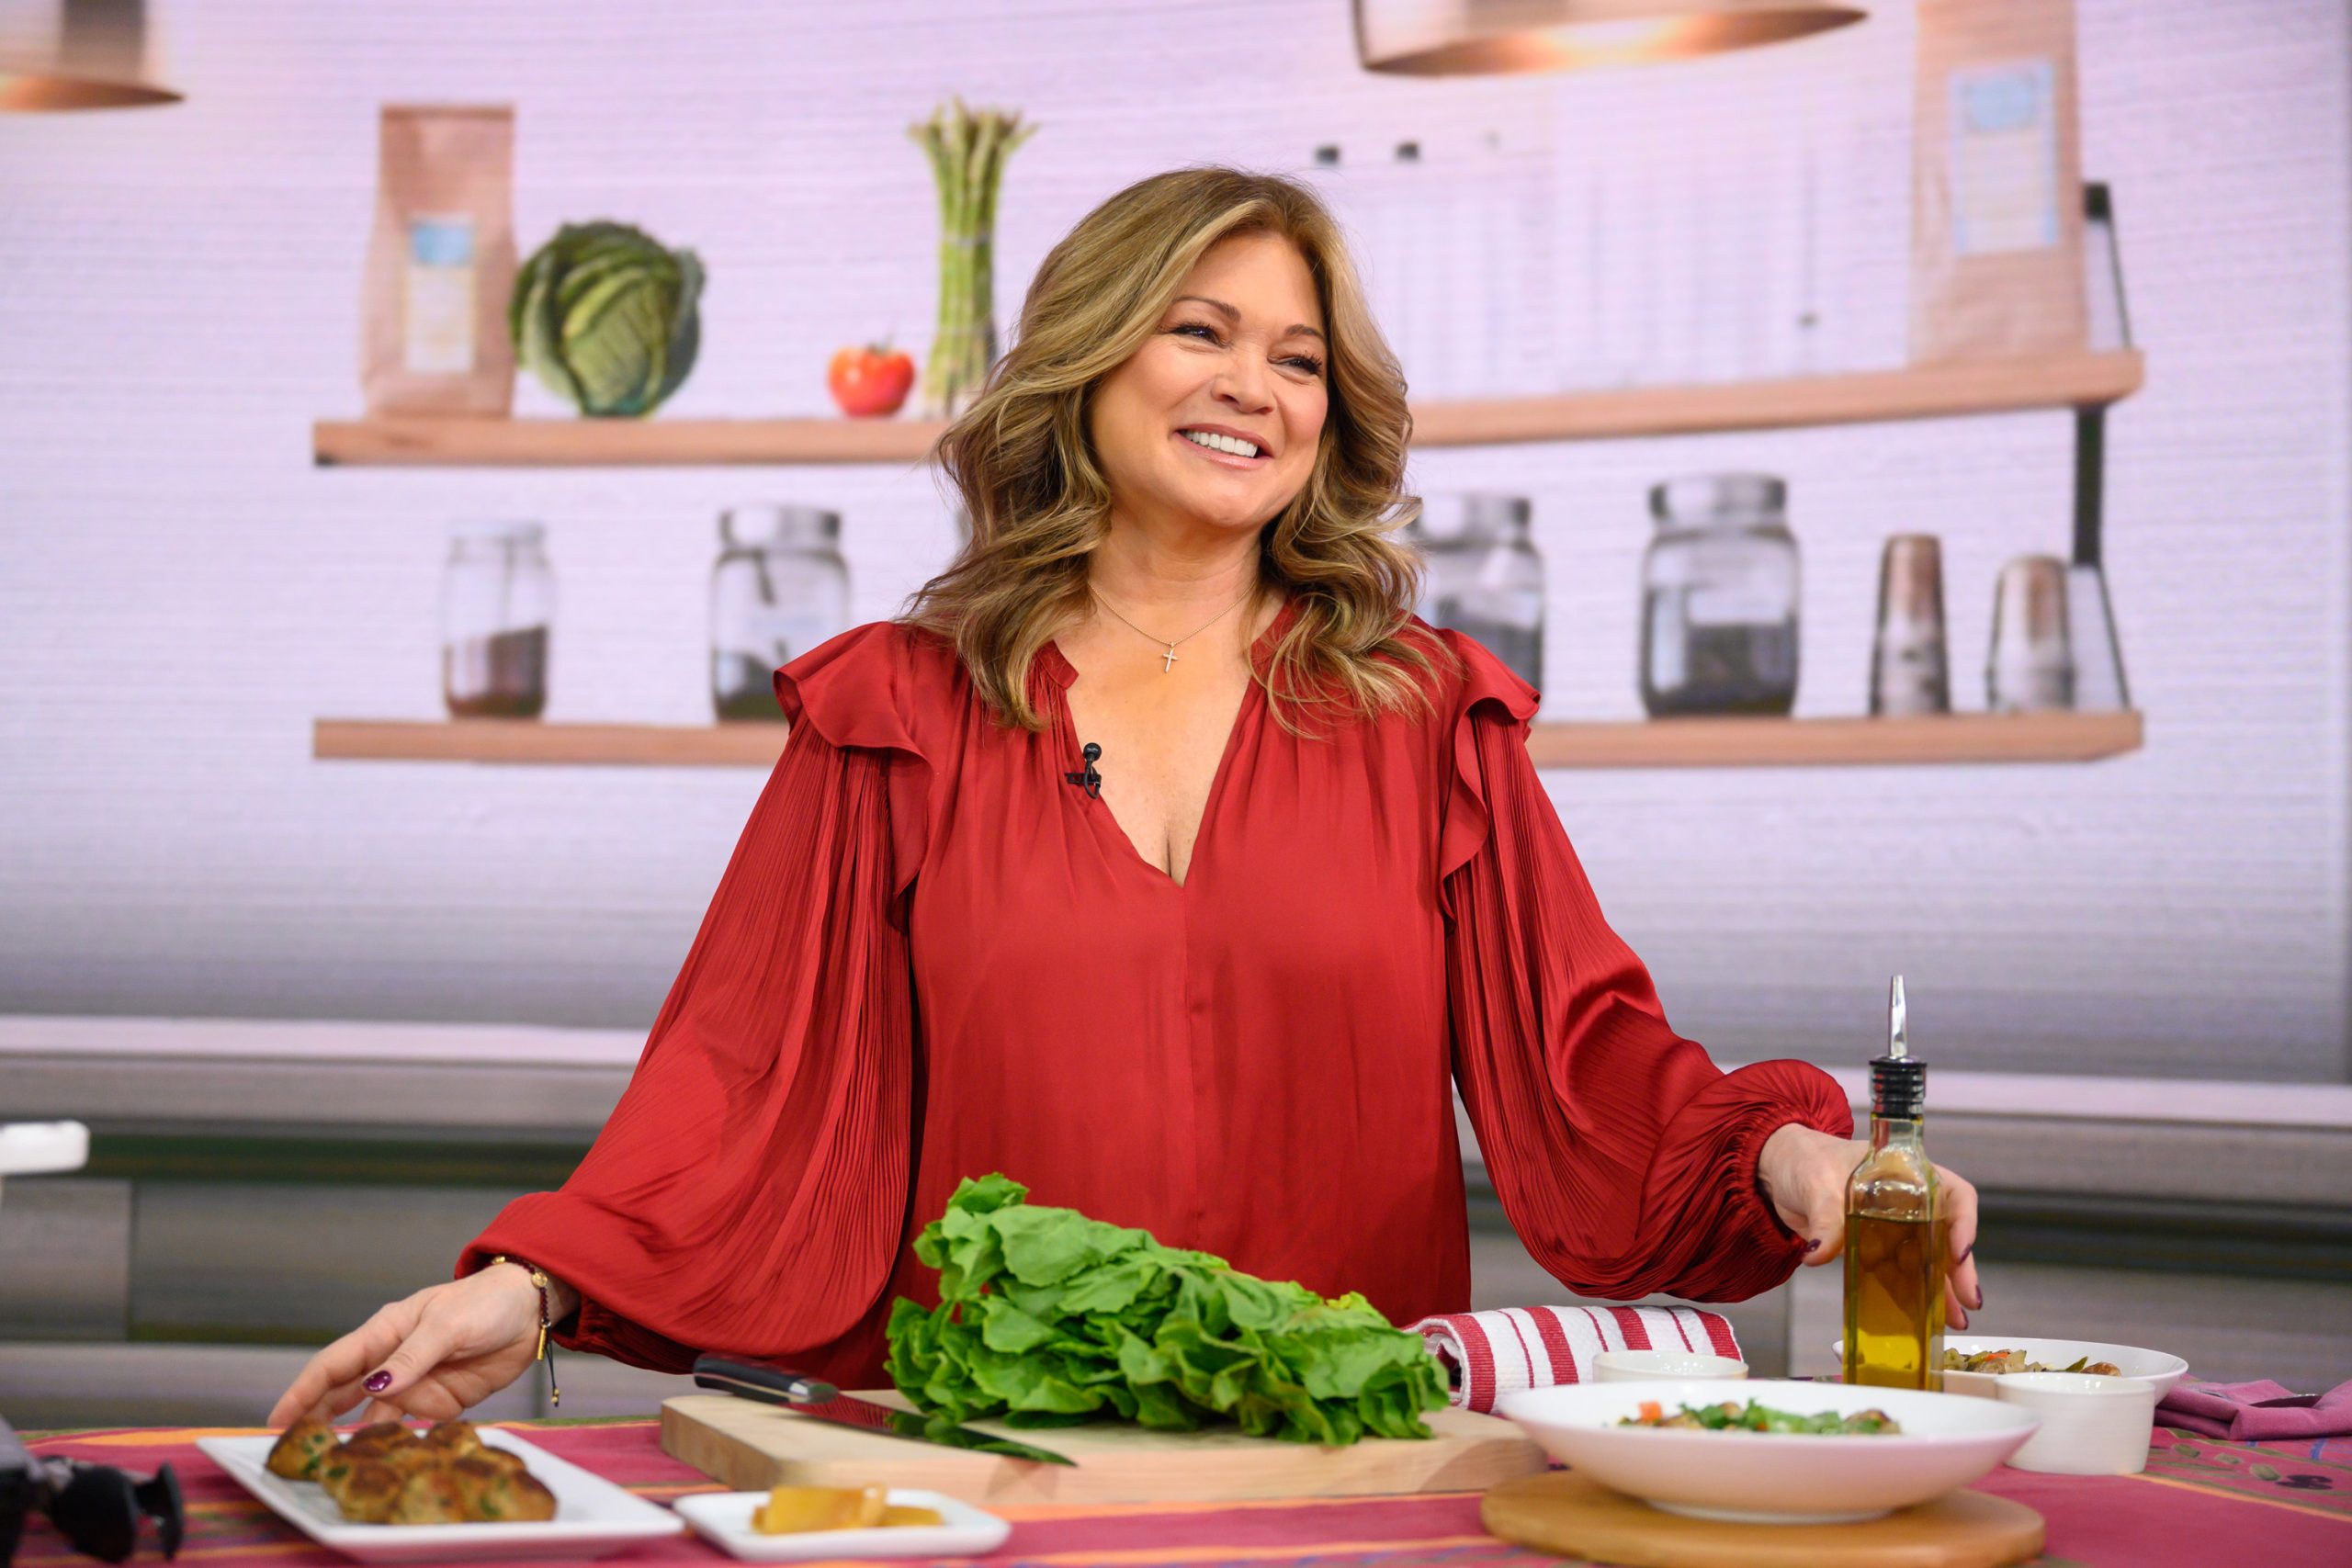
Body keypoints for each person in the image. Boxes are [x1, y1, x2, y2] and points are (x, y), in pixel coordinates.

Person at [269, 167, 1980, 1428]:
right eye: (1203, 331)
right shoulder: (895, 712)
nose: (1258, 386)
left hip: (1343, 1476)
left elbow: (1591, 1060)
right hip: (968, 1475)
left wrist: (1798, 1157)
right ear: (1086, 364)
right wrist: (533, 1284)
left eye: (1300, 360)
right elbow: (738, 1080)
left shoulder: (1427, 715)